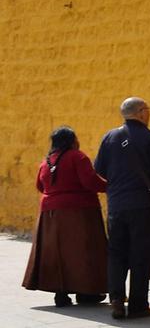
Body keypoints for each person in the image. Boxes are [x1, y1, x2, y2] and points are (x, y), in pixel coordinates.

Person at [94, 97, 150, 319]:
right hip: (142, 206)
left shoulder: (109, 137)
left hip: (116, 204)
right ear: (140, 112)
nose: (149, 114)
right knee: (140, 254)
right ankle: (138, 305)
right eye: (148, 110)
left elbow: (99, 169)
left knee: (116, 253)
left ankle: (117, 299)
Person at [22, 126, 107, 307]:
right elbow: (90, 181)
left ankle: (61, 293)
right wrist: (111, 185)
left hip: (49, 213)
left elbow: (40, 186)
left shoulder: (45, 162)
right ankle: (86, 292)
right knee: (82, 252)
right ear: (71, 141)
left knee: (56, 254)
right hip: (79, 211)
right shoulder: (78, 157)